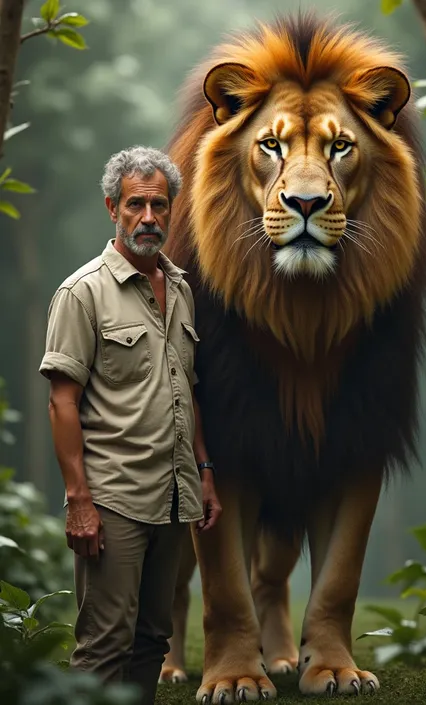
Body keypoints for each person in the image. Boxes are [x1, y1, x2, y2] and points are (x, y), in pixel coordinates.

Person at [39, 145, 222, 705]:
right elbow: (62, 403)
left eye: (159, 205)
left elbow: (184, 389)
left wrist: (205, 471)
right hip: (113, 498)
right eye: (135, 204)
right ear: (112, 207)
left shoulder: (183, 290)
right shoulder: (83, 292)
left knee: (153, 638)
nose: (149, 217)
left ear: (173, 209)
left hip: (174, 496)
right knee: (104, 642)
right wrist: (78, 500)